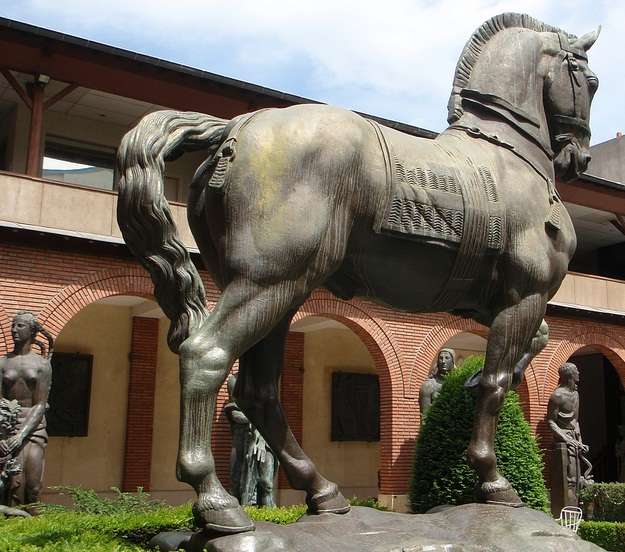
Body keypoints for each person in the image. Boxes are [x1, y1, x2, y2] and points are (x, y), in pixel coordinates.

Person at [0, 312, 53, 509]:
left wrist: (21, 436)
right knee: (7, 486)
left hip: (33, 428)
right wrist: (4, 436)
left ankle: (31, 530)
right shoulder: (3, 363)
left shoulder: (42, 365)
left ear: (32, 331)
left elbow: (40, 404)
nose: (14, 330)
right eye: (13, 325)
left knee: (33, 486)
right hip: (7, 427)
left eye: (20, 326)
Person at [224, 373, 277, 506]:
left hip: (266, 440)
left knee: (266, 483)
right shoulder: (234, 380)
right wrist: (255, 421)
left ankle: (269, 515)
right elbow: (234, 413)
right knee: (236, 479)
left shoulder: (266, 379)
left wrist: (260, 436)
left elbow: (272, 413)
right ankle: (239, 512)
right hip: (242, 437)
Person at [547, 362, 593, 503]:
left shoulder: (576, 394)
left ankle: (575, 508)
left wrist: (579, 441)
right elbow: (551, 422)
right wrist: (566, 439)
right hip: (563, 440)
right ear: (570, 375)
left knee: (578, 477)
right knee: (570, 477)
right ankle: (567, 511)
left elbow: (576, 421)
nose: (579, 373)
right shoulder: (557, 395)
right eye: (576, 371)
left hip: (574, 439)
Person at [419, 348, 456, 420]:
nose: (443, 361)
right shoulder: (428, 385)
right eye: (441, 358)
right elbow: (425, 416)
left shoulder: (458, 384)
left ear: (453, 362)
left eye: (447, 358)